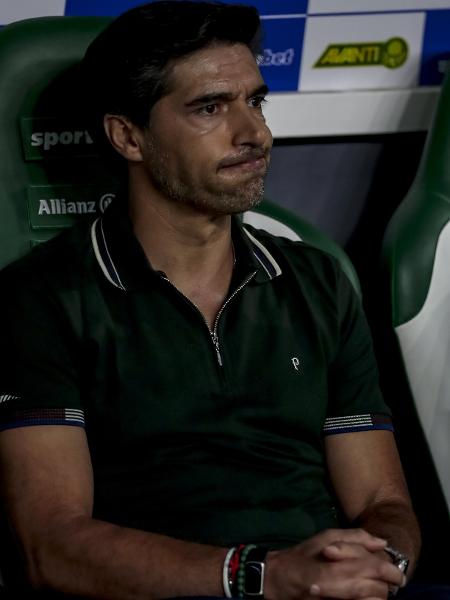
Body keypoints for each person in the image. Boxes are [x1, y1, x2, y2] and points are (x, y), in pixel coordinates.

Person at [0, 1, 441, 599]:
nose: (254, 133)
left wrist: (379, 565)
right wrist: (263, 575)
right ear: (128, 136)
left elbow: (383, 502)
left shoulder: (318, 282)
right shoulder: (41, 298)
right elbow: (49, 547)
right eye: (210, 108)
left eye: (255, 102)